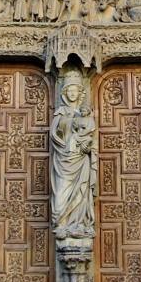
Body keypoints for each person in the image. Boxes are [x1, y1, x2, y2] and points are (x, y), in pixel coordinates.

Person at [50, 71, 97, 240]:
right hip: (64, 156)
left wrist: (88, 146)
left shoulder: (87, 114)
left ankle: (79, 224)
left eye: (74, 91)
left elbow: (92, 135)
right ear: (64, 93)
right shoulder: (61, 111)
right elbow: (54, 134)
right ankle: (61, 223)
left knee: (82, 190)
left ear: (80, 92)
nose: (71, 94)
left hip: (81, 158)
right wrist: (65, 135)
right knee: (62, 188)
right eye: (69, 91)